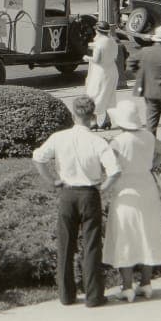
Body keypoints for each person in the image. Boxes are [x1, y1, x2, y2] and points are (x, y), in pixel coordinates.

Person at [32, 95, 121, 308]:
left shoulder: (59, 137)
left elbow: (38, 158)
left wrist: (53, 180)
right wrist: (103, 187)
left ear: (73, 115)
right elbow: (115, 171)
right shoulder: (98, 141)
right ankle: (93, 296)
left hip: (67, 193)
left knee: (65, 245)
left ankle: (66, 295)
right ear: (93, 117)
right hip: (90, 194)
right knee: (91, 246)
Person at [102, 100, 161, 302]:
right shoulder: (148, 136)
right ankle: (146, 284)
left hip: (125, 191)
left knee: (126, 235)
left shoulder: (118, 141)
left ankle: (127, 286)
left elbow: (108, 166)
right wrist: (149, 165)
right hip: (147, 189)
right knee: (147, 233)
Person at [84, 21, 120, 130]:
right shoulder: (112, 41)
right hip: (112, 70)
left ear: (97, 31)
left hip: (100, 72)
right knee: (108, 95)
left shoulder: (99, 43)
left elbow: (97, 59)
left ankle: (93, 122)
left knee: (94, 95)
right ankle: (107, 121)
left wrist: (87, 58)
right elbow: (113, 55)